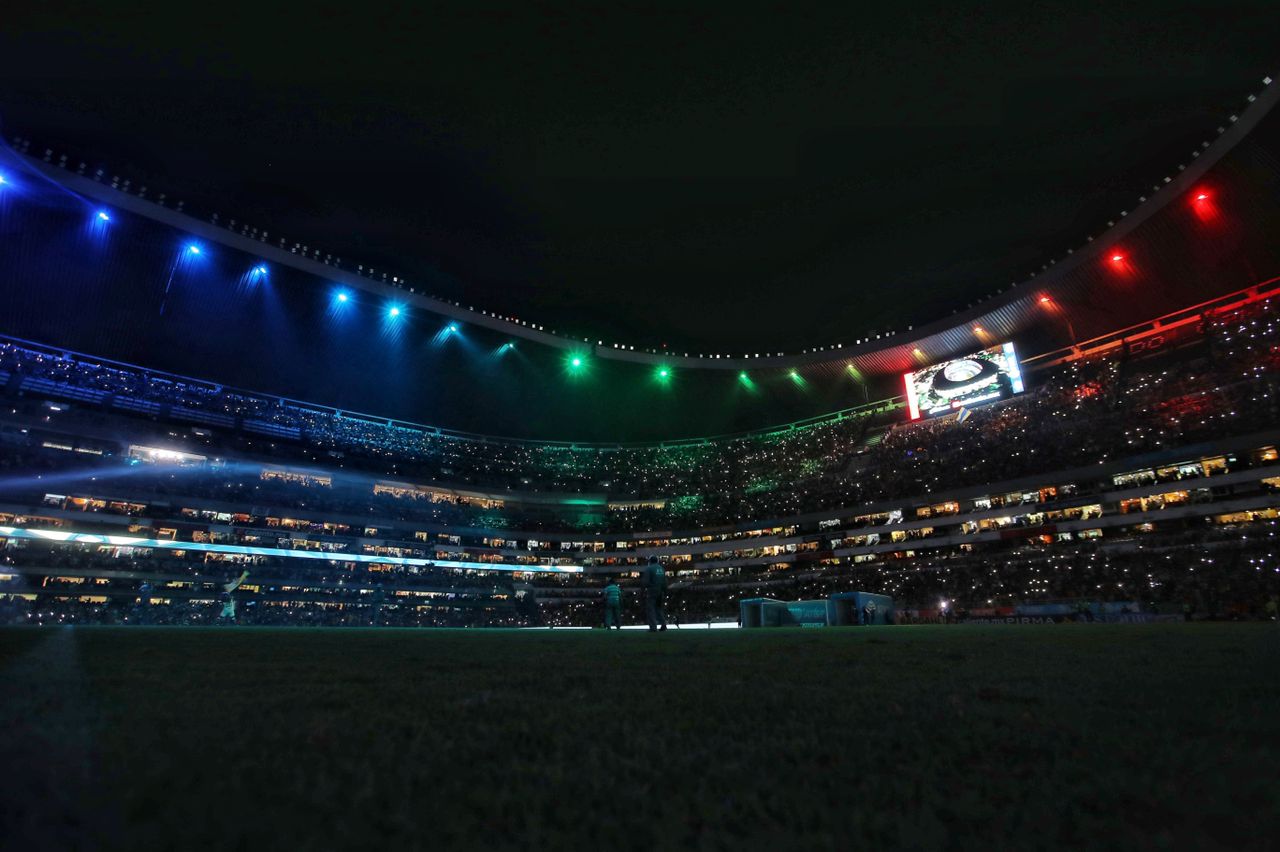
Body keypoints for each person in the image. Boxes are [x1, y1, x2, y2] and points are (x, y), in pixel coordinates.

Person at [641, 557, 667, 632]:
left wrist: (643, 591)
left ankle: (653, 627)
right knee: (658, 609)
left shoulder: (649, 569)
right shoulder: (661, 569)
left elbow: (645, 582)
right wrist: (665, 591)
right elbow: (665, 581)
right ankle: (663, 624)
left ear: (650, 561)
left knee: (651, 609)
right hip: (660, 591)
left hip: (652, 591)